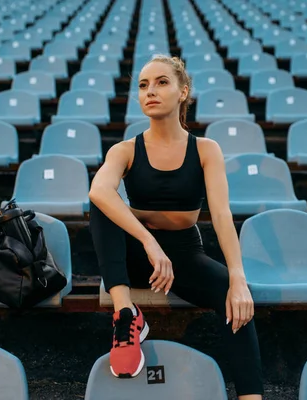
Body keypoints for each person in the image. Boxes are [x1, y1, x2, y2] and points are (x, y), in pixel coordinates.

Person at [88, 54, 263, 399]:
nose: (150, 91)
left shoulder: (206, 150)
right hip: (136, 258)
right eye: (143, 85)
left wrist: (238, 278)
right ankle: (126, 315)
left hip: (183, 255)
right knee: (101, 203)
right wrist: (149, 242)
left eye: (161, 82)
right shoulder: (125, 150)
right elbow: (98, 190)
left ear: (183, 92)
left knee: (235, 299)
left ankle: (251, 396)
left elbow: (222, 215)